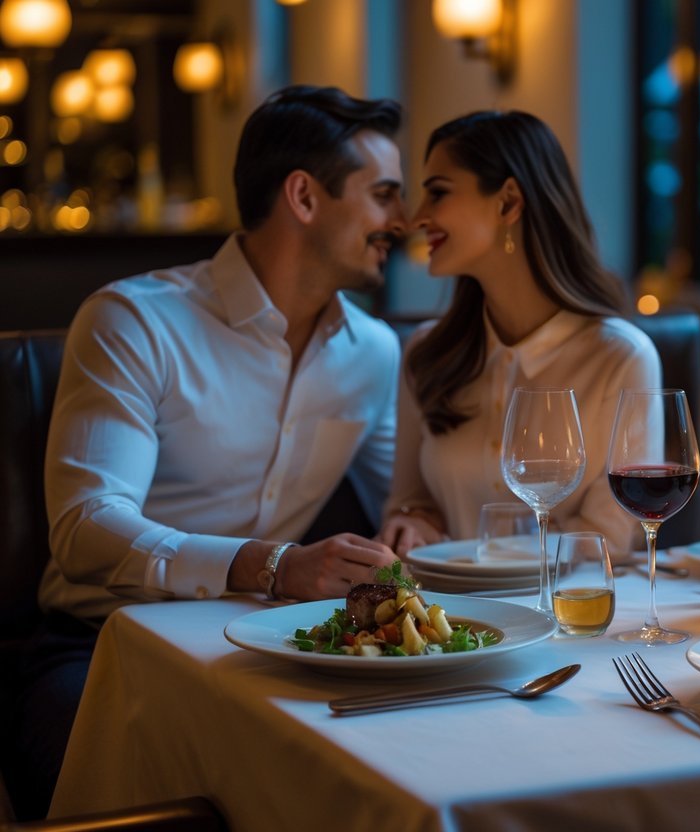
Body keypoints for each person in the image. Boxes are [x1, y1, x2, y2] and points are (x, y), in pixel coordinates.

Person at [9, 85, 406, 820]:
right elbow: (87, 528)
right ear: (304, 197)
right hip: (101, 649)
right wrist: (273, 564)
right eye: (383, 195)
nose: (401, 221)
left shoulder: (375, 353)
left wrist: (418, 517)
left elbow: (402, 501)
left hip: (267, 649)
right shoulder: (132, 321)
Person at [378, 110, 661, 560]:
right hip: (448, 621)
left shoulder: (620, 358)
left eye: (438, 193)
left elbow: (613, 539)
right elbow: (408, 502)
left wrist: (484, 552)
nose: (417, 217)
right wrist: (411, 521)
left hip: (568, 618)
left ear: (508, 201)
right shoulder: (425, 353)